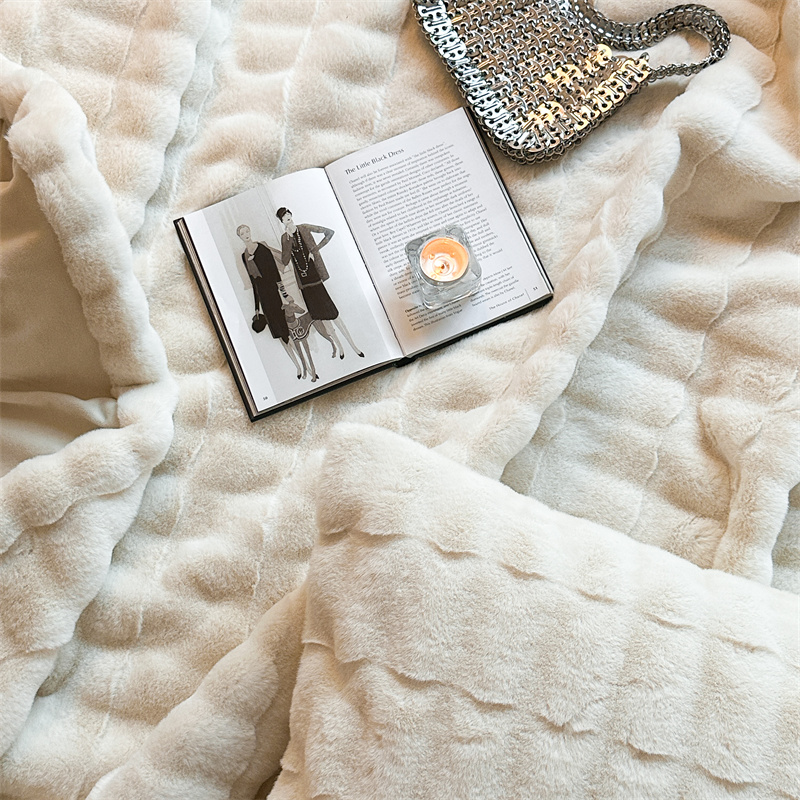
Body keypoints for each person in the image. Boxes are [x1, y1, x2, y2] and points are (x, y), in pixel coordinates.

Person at [276, 207, 364, 359]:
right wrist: (289, 239)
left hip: (315, 277)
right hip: (304, 283)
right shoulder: (285, 238)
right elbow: (285, 260)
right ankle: (340, 347)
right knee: (321, 316)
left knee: (332, 312)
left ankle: (353, 346)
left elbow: (329, 232)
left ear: (291, 215)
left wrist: (314, 250)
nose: (287, 217)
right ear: (281, 221)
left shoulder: (304, 228)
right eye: (283, 216)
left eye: (288, 214)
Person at [236, 224, 305, 379]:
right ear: (240, 237)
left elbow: (275, 274)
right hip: (264, 300)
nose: (246, 234)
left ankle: (303, 363)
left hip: (274, 295)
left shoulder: (262, 249)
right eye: (242, 233)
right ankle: (297, 366)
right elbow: (254, 283)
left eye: (247, 231)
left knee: (285, 330)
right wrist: (256, 308)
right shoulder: (244, 256)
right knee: (278, 333)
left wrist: (285, 295)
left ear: (250, 231)